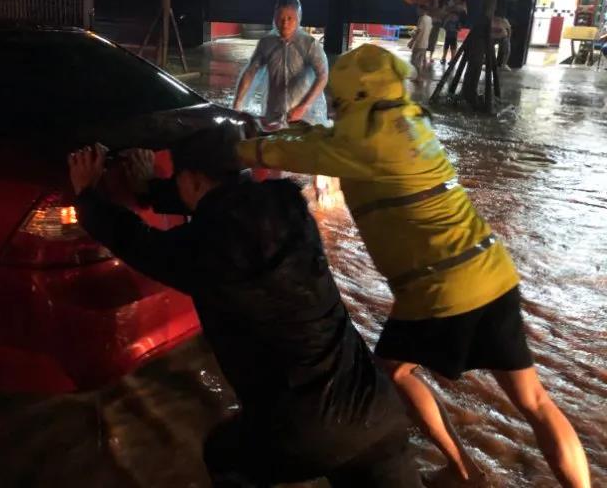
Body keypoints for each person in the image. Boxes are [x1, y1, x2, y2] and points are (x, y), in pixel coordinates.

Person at [235, 44, 592, 488]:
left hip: (437, 289)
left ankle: (464, 471)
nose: (334, 105)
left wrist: (238, 149)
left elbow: (288, 155)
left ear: (353, 97)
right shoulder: (406, 120)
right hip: (490, 268)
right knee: (535, 402)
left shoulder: (362, 144)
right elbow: (324, 142)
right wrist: (288, 132)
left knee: (391, 373)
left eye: (338, 99)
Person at [67, 127, 423, 488]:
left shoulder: (206, 249)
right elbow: (221, 201)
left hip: (306, 430)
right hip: (377, 406)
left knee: (223, 456)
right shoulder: (288, 205)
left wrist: (87, 195)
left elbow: (135, 241)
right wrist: (152, 189)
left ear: (189, 179)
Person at [233, 0, 329, 128]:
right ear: (274, 18)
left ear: (298, 18)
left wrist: (303, 106)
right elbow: (250, 71)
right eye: (280, 18)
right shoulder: (267, 43)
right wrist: (237, 103)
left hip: (303, 117)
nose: (285, 23)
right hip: (274, 114)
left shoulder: (309, 45)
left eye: (290, 18)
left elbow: (323, 75)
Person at [408, 5, 432, 75]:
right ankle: (419, 76)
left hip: (419, 43)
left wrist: (411, 42)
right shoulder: (429, 19)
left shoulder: (421, 19)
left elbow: (419, 31)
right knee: (419, 61)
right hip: (425, 43)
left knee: (414, 61)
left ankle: (419, 76)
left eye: (418, 10)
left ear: (422, 10)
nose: (417, 11)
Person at [426, 0, 445, 64]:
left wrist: (435, 11)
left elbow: (441, 14)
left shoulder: (442, 5)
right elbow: (428, 12)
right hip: (429, 23)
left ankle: (431, 57)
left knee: (433, 40)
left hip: (436, 24)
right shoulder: (429, 4)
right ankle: (424, 57)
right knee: (426, 39)